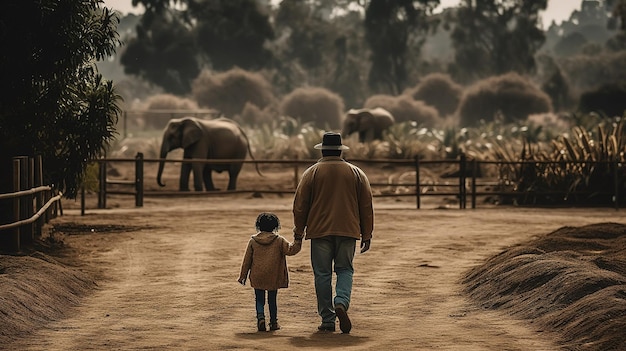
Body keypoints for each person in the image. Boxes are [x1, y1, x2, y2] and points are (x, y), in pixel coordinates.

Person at [292, 132, 374, 334]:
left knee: (322, 274)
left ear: (322, 150)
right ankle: (341, 302)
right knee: (345, 269)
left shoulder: (311, 173)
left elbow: (300, 206)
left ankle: (328, 319)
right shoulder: (356, 173)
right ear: (340, 151)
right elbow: (366, 205)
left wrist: (299, 232)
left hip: (319, 232)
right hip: (348, 230)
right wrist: (367, 233)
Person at [238, 212, 302, 332]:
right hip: (273, 275)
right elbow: (292, 250)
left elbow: (247, 260)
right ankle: (273, 322)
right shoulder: (279, 240)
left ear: (258, 225)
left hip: (258, 275)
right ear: (275, 226)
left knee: (259, 299)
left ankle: (261, 317)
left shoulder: (253, 241)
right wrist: (298, 239)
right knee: (272, 299)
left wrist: (243, 276)